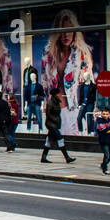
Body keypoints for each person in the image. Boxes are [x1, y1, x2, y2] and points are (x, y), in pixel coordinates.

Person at [39, 9, 95, 137]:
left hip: (72, 108)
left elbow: (89, 80)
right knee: (53, 137)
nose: (66, 35)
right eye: (62, 30)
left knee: (68, 137)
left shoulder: (81, 53)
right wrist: (45, 102)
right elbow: (44, 81)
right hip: (54, 107)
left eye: (69, 30)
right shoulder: (48, 52)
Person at [41, 91, 75, 164]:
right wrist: (55, 120)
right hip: (51, 124)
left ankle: (43, 157)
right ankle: (67, 157)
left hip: (54, 124)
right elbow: (48, 114)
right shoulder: (50, 103)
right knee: (60, 138)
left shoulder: (56, 102)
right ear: (54, 94)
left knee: (49, 141)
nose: (59, 95)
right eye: (57, 93)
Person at [96, 106, 110, 174]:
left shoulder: (109, 120)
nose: (105, 115)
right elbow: (103, 130)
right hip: (103, 140)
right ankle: (105, 169)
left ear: (109, 114)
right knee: (106, 155)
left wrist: (109, 128)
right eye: (104, 114)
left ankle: (103, 165)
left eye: (107, 114)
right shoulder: (99, 121)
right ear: (101, 114)